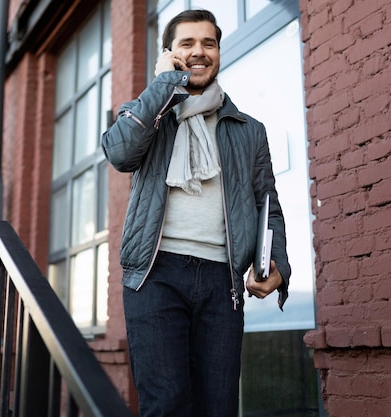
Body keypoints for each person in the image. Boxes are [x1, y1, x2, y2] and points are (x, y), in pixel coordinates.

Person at [101, 9, 291, 417]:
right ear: (169, 53)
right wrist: (165, 83)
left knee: (217, 407)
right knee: (167, 404)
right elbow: (119, 153)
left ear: (219, 52)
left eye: (208, 43)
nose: (199, 51)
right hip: (155, 276)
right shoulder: (149, 116)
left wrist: (279, 266)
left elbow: (267, 205)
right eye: (187, 43)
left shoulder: (248, 129)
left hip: (223, 282)